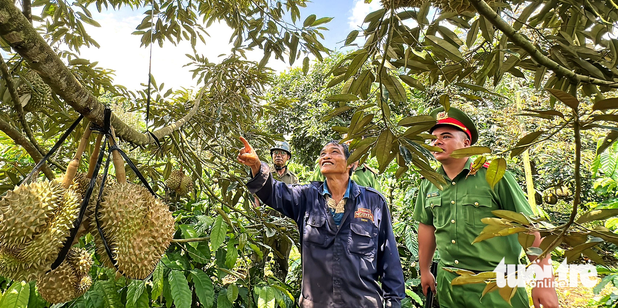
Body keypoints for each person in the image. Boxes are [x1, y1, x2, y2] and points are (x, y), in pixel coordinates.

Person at [414, 107, 558, 308]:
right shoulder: (430, 184)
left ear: (466, 143)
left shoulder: (495, 176)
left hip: (498, 288)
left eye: (446, 136)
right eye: (433, 138)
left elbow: (529, 225)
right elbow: (427, 228)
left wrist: (544, 282)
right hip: (451, 289)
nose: (437, 142)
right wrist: (425, 270)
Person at [238, 137, 405, 308]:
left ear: (350, 163)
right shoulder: (306, 197)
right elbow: (273, 192)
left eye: (334, 152)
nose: (326, 156)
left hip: (362, 303)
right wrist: (256, 167)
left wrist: (394, 301)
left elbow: (389, 256)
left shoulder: (374, 202)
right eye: (322, 153)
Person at [252, 141, 299, 282]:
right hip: (265, 223)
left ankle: (279, 287)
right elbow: (255, 197)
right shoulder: (264, 173)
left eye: (282, 153)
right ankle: (253, 286)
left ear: (288, 157)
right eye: (275, 153)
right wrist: (260, 216)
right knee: (258, 258)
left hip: (284, 225)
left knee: (282, 260)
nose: (278, 156)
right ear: (272, 156)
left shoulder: (293, 178)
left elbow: (296, 200)